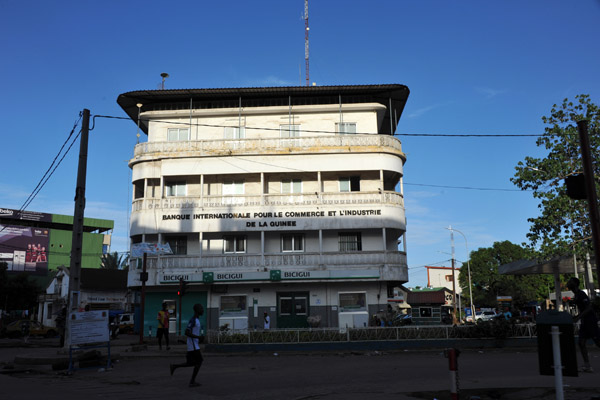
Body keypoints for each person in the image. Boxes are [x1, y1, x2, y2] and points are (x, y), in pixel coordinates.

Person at [566, 277, 600, 373]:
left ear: (575, 284)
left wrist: (578, 317)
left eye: (570, 281)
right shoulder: (576, 295)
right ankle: (587, 365)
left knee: (598, 342)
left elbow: (589, 308)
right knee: (581, 343)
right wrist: (576, 316)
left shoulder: (581, 294)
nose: (568, 283)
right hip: (585, 322)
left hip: (590, 321)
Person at [170, 304, 204, 387]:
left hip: (193, 344)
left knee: (192, 362)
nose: (202, 310)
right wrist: (198, 337)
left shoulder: (197, 320)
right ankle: (192, 381)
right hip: (193, 346)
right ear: (197, 310)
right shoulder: (193, 320)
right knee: (199, 361)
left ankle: (174, 366)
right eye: (201, 309)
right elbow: (186, 332)